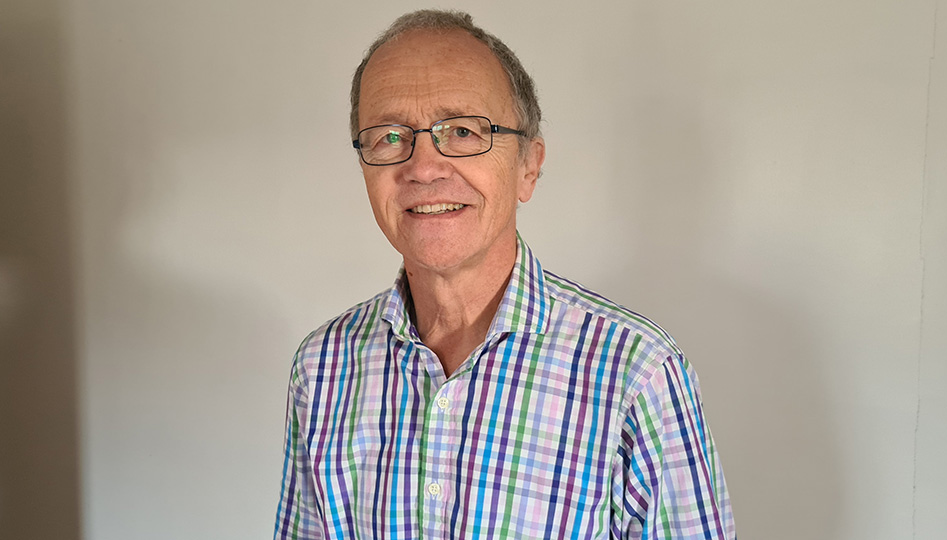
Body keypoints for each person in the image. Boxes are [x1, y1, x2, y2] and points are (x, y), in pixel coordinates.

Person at [274, 9, 735, 540]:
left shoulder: (638, 373)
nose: (423, 167)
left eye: (463, 131)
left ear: (528, 167)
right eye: (390, 136)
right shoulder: (322, 367)